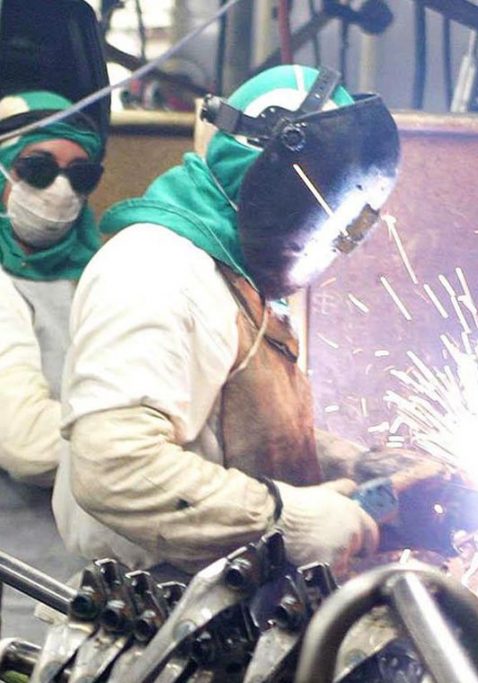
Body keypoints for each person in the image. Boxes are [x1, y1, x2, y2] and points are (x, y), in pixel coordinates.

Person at [54, 65, 411, 578]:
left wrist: (353, 466)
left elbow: (224, 430)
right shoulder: (155, 269)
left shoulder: (231, 272)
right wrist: (285, 519)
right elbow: (116, 470)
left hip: (233, 593)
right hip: (159, 603)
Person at [0, 90, 106, 638]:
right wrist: (147, 455)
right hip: (17, 590)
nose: (59, 190)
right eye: (38, 169)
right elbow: (27, 445)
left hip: (97, 587)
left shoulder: (103, 278)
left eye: (79, 175)